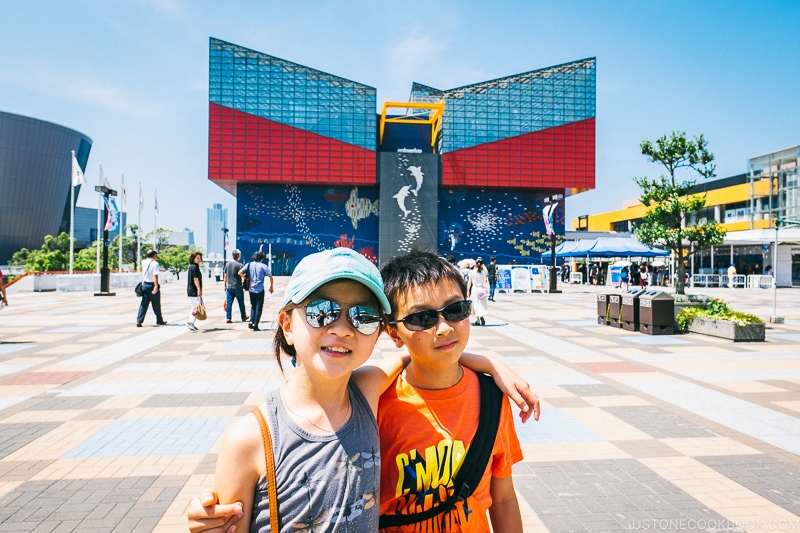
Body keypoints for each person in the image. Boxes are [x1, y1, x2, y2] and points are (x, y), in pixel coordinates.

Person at [186, 248, 539, 533]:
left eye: (362, 317)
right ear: (287, 325)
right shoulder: (251, 437)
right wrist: (205, 521)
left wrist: (489, 363)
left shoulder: (366, 393)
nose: (342, 328)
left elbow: (421, 354)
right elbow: (222, 520)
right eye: (322, 312)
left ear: (379, 331)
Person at [378, 250, 523, 531]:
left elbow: (503, 497)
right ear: (394, 333)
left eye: (455, 310)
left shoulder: (492, 397)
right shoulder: (377, 402)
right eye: (422, 318)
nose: (444, 328)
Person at [240, 251, 274, 331]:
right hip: (260, 289)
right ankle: (256, 324)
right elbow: (270, 276)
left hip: (251, 289)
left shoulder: (249, 264)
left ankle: (251, 320)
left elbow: (240, 272)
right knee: (259, 307)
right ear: (262, 258)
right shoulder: (264, 266)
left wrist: (246, 278)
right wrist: (271, 286)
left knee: (253, 306)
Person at [136, 249, 167, 327]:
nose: (157, 256)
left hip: (145, 285)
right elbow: (155, 275)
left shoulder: (143, 262)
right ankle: (159, 320)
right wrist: (156, 286)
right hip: (152, 285)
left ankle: (139, 320)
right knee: (156, 304)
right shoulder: (155, 264)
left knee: (144, 304)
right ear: (154, 255)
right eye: (156, 254)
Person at [224, 250, 248, 324]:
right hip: (238, 287)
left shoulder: (227, 265)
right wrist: (245, 277)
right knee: (241, 303)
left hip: (229, 287)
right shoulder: (240, 265)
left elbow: (225, 276)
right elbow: (242, 273)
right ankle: (243, 317)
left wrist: (224, 285)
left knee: (229, 303)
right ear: (239, 256)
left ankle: (228, 318)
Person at [467, 257, 489, 326]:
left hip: (475, 289)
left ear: (476, 264)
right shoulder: (484, 272)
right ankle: (481, 316)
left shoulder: (472, 272)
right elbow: (486, 270)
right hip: (481, 289)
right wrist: (482, 264)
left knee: (475, 304)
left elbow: (469, 282)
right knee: (481, 304)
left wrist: (468, 290)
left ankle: (478, 319)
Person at [186, 251, 204, 332]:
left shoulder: (191, 266)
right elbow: (195, 279)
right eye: (197, 258)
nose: (199, 259)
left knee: (194, 307)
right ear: (193, 258)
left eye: (200, 258)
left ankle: (191, 322)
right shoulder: (194, 267)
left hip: (191, 290)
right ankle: (190, 322)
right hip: (194, 291)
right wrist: (199, 289)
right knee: (196, 307)